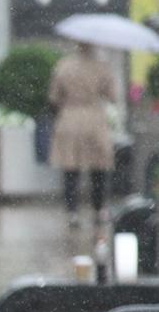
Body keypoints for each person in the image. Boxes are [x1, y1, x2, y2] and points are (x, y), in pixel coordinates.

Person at [49, 42, 118, 231]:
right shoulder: (102, 67)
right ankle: (98, 211)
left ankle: (72, 212)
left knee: (70, 169)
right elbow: (112, 96)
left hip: (69, 118)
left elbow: (54, 97)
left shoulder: (63, 66)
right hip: (94, 119)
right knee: (98, 168)